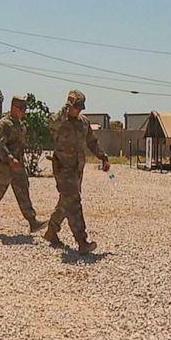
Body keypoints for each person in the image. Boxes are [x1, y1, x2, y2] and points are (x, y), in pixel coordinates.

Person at [42, 90, 110, 254]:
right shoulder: (59, 120)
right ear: (69, 106)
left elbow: (92, 142)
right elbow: (52, 124)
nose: (78, 111)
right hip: (63, 169)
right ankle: (82, 241)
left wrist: (103, 157)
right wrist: (65, 110)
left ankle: (51, 232)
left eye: (80, 108)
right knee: (73, 202)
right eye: (76, 107)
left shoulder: (84, 123)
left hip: (77, 170)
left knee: (65, 203)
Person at [0, 95, 46, 234]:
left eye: (25, 108)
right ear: (13, 107)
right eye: (21, 108)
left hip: (18, 166)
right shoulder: (4, 124)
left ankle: (32, 221)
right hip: (4, 166)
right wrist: (10, 158)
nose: (23, 111)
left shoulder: (21, 125)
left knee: (23, 192)